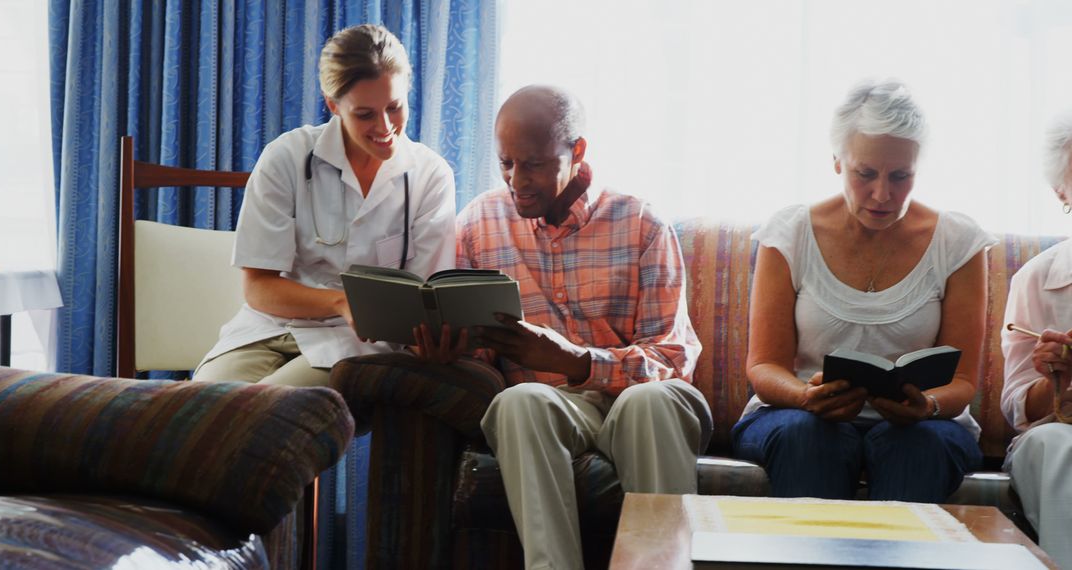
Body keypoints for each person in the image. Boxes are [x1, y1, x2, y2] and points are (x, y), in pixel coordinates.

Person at [446, 85, 711, 570]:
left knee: (649, 402)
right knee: (518, 401)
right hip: (553, 409)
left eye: (533, 164)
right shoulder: (478, 225)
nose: (516, 180)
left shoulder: (641, 223)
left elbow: (672, 360)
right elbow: (474, 356)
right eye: (505, 163)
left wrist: (576, 361)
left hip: (641, 400)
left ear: (578, 151)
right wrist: (446, 348)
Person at [733, 79, 993, 501]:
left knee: (918, 446)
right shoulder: (790, 232)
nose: (882, 194)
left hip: (924, 425)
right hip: (797, 416)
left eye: (901, 176)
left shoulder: (958, 241)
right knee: (808, 437)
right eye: (865, 173)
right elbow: (764, 366)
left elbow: (962, 380)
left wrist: (926, 406)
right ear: (838, 162)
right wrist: (805, 396)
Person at [194, 24, 456, 386]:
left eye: (394, 107)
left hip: (356, 342)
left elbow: (423, 301)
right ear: (333, 104)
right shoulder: (287, 157)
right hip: (267, 329)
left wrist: (430, 340)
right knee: (203, 402)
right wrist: (340, 302)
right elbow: (258, 287)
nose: (385, 126)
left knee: (274, 406)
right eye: (365, 114)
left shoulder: (430, 176)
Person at [1000, 110, 1072, 569]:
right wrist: (1056, 377)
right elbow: (1017, 410)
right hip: (1060, 435)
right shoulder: (1037, 279)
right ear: (1061, 191)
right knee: (1058, 447)